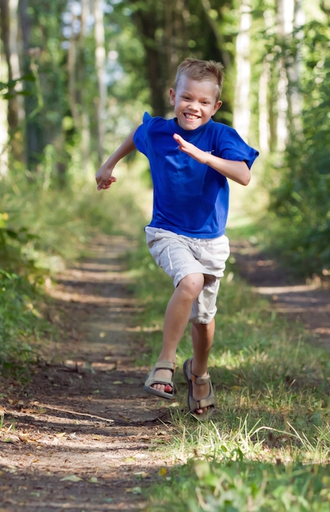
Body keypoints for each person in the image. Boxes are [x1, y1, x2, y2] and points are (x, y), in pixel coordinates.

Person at [95, 58, 259, 420]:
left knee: (204, 317)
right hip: (167, 231)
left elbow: (243, 175)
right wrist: (108, 165)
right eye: (187, 98)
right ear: (173, 96)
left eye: (203, 102)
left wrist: (205, 156)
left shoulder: (221, 136)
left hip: (211, 241)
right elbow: (137, 134)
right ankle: (164, 364)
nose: (194, 107)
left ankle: (199, 372)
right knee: (190, 280)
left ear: (215, 107)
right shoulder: (159, 132)